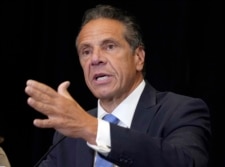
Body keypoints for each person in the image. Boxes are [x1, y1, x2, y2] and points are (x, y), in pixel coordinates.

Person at [25, 4, 211, 167]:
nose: (95, 59)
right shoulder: (70, 132)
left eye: (109, 46)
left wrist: (93, 129)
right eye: (86, 51)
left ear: (138, 58)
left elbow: (186, 162)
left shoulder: (180, 111)